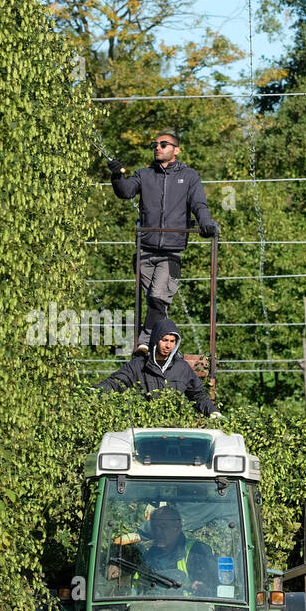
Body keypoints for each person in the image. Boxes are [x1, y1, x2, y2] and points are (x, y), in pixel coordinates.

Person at [108, 128, 218, 352]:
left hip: (172, 253)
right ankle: (166, 346)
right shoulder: (144, 174)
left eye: (163, 144)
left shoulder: (189, 177)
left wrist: (206, 223)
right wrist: (116, 176)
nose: (157, 148)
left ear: (176, 150)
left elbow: (199, 205)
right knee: (154, 303)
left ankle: (145, 343)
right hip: (145, 251)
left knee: (158, 298)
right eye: (155, 145)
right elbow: (126, 192)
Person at [97, 318, 221, 418]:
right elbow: (115, 383)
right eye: (165, 340)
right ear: (156, 340)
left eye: (172, 341)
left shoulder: (182, 368)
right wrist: (95, 391)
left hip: (174, 426)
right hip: (145, 425)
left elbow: (199, 396)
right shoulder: (138, 365)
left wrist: (214, 413)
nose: (168, 345)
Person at [107, 504, 216, 598]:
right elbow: (136, 588)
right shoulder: (147, 556)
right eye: (155, 527)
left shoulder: (196, 551)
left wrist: (201, 587)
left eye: (163, 527)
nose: (158, 532)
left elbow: (208, 589)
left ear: (177, 528)